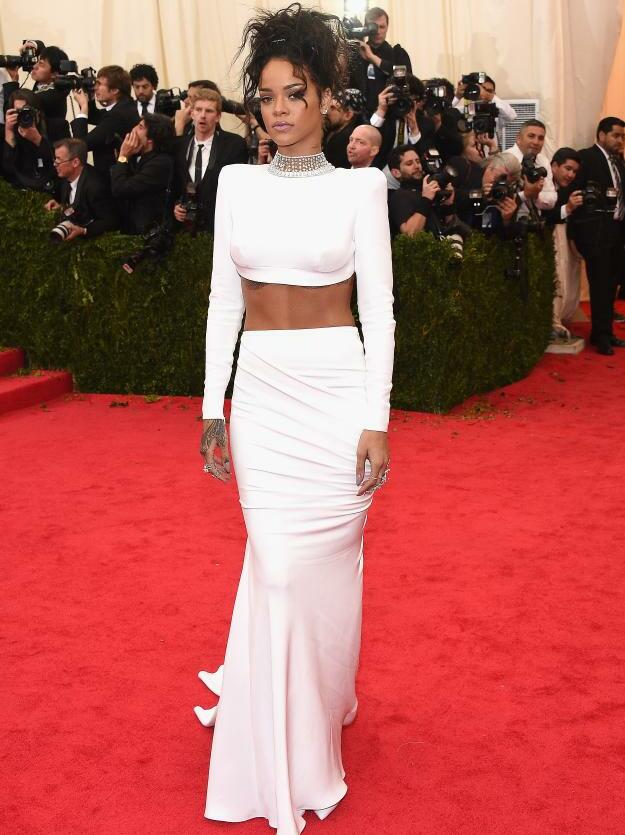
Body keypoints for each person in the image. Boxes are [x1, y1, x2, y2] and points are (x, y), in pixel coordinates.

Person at [193, 6, 394, 834]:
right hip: (264, 402)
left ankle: (324, 696)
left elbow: (378, 311)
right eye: (267, 96)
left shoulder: (361, 188)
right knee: (276, 569)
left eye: (295, 94)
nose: (278, 109)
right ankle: (284, 752)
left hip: (337, 397)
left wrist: (376, 418)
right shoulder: (237, 184)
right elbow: (223, 302)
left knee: (322, 581)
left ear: (326, 101)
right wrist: (212, 405)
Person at [569, 117, 625, 355]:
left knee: (611, 284)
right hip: (596, 232)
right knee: (600, 284)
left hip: (617, 231)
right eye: (616, 135)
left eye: (623, 137)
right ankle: (600, 335)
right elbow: (575, 192)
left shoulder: (619, 161)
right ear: (601, 135)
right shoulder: (587, 157)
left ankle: (606, 332)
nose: (620, 141)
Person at [172, 89, 247, 233]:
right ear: (191, 113)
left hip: (220, 227)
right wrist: (176, 206)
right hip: (185, 230)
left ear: (218, 116)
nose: (203, 115)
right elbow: (175, 184)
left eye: (209, 111)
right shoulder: (180, 145)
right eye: (198, 110)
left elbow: (238, 189)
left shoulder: (233, 145)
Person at [70, 65, 140, 180]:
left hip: (115, 180)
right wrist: (90, 98)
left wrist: (83, 106)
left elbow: (81, 146)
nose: (95, 88)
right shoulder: (125, 106)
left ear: (115, 90)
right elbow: (97, 116)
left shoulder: (118, 115)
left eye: (99, 84)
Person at [110, 113, 176, 234]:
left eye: (140, 127)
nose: (134, 129)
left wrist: (123, 156)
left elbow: (120, 189)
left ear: (150, 140)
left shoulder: (161, 163)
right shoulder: (135, 155)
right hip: (129, 229)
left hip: (148, 234)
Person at [543, 147, 584, 338]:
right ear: (554, 166)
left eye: (574, 171)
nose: (571, 175)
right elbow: (545, 215)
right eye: (568, 169)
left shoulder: (567, 188)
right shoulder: (543, 184)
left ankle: (557, 321)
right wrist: (568, 208)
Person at [44, 138, 118, 240]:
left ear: (75, 162)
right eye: (55, 159)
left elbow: (110, 221)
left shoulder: (95, 186)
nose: (54, 164)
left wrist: (83, 231)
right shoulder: (66, 176)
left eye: (59, 160)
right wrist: (60, 206)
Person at [2, 41, 71, 143]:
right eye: (37, 61)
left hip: (48, 146)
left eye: (41, 64)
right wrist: (33, 45)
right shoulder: (46, 83)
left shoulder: (52, 95)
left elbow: (11, 109)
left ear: (54, 74)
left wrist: (13, 81)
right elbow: (42, 49)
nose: (34, 66)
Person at [351, 6, 412, 117]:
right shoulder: (356, 55)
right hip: (361, 116)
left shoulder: (398, 53)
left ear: (387, 27)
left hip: (392, 115)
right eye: (373, 27)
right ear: (366, 28)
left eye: (382, 27)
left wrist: (372, 58)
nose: (378, 32)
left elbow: (408, 79)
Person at [2, 90, 55, 192]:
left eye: (27, 110)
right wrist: (9, 132)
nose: (24, 114)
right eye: (18, 111)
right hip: (20, 192)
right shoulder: (9, 131)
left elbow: (60, 163)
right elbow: (8, 170)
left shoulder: (56, 127)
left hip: (51, 189)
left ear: (38, 112)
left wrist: (38, 140)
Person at [507, 119, 557, 212]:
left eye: (540, 138)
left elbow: (551, 200)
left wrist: (536, 195)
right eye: (531, 136)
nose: (536, 142)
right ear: (518, 138)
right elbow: (499, 200)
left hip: (535, 218)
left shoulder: (543, 161)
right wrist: (526, 194)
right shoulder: (505, 159)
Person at [322, 88, 365, 169]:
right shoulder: (332, 129)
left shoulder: (347, 141)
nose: (327, 111)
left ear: (348, 115)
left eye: (333, 108)